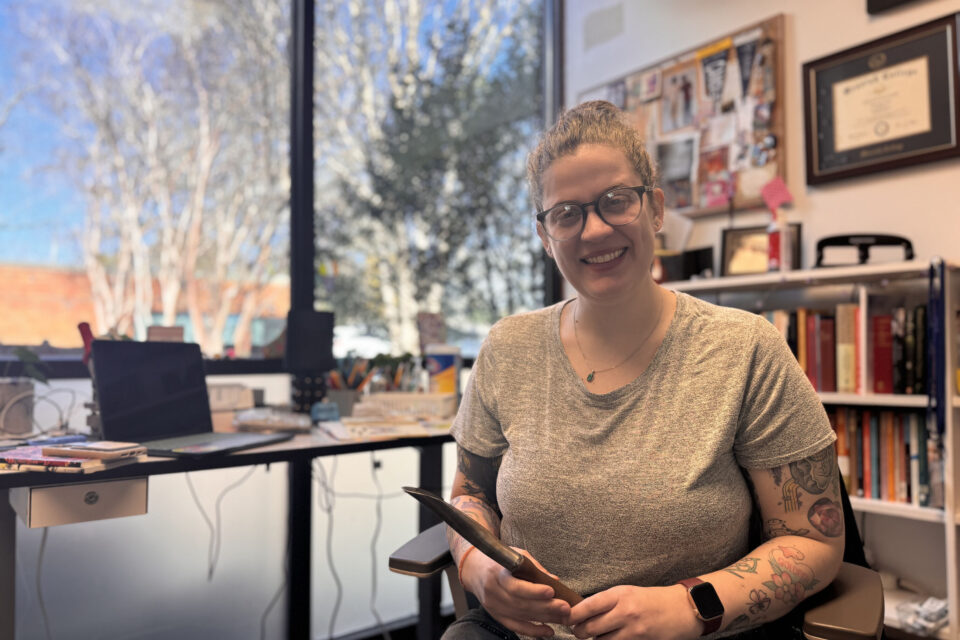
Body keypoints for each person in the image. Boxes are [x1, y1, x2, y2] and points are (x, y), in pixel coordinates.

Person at [443, 100, 844, 640]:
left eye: (616, 201)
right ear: (544, 236)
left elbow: (815, 541)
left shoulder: (745, 349)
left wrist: (690, 607)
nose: (594, 230)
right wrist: (478, 569)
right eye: (567, 213)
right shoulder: (507, 347)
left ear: (655, 209)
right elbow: (469, 495)